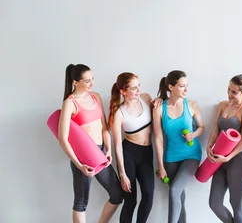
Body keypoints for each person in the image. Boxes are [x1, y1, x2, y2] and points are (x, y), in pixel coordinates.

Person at [57, 64, 123, 223]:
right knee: (81, 202)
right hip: (83, 157)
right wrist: (79, 165)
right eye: (87, 81)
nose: (91, 84)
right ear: (75, 82)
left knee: (117, 195)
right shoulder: (69, 103)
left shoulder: (96, 97)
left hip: (100, 152)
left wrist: (108, 149)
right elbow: (63, 139)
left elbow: (104, 127)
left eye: (92, 79)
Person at [153, 70, 205, 223]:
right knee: (179, 197)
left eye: (187, 85)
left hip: (191, 155)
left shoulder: (192, 105)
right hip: (171, 158)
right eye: (182, 86)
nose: (186, 90)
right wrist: (161, 166)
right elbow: (158, 138)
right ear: (171, 87)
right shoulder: (159, 108)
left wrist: (193, 135)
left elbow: (202, 127)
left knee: (175, 191)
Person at [206, 74, 242, 223]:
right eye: (228, 90)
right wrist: (209, 146)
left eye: (234, 92)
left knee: (236, 204)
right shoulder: (223, 105)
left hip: (237, 161)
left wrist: (228, 157)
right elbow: (216, 128)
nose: (229, 94)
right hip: (219, 160)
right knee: (214, 203)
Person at [108, 72, 156, 223]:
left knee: (148, 195)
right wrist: (122, 174)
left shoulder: (146, 99)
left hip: (147, 153)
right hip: (128, 154)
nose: (138, 90)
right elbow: (117, 146)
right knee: (131, 200)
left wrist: (159, 102)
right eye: (133, 88)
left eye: (138, 86)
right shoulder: (118, 113)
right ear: (123, 91)